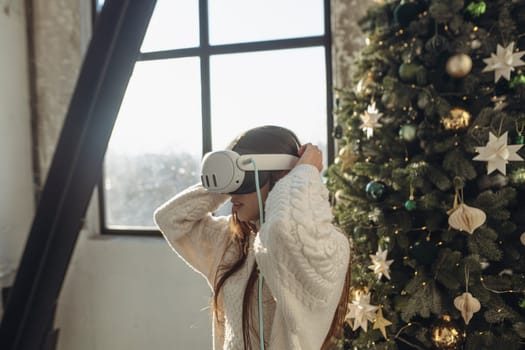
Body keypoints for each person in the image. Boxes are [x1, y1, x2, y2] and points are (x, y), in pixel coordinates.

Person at [154, 125, 351, 350]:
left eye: (244, 178)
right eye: (233, 180)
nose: (233, 193)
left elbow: (281, 231)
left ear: (283, 176)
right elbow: (170, 219)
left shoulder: (329, 245)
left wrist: (304, 172)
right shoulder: (230, 241)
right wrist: (223, 178)